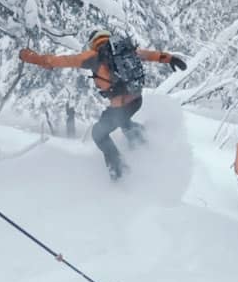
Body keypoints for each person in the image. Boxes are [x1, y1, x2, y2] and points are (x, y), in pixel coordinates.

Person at [18, 30, 186, 179]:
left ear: (93, 43)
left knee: (99, 133)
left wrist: (32, 57)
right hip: (136, 100)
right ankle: (143, 143)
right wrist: (170, 58)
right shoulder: (124, 50)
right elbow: (149, 55)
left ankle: (119, 171)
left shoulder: (93, 57)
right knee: (124, 123)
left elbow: (61, 60)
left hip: (120, 106)